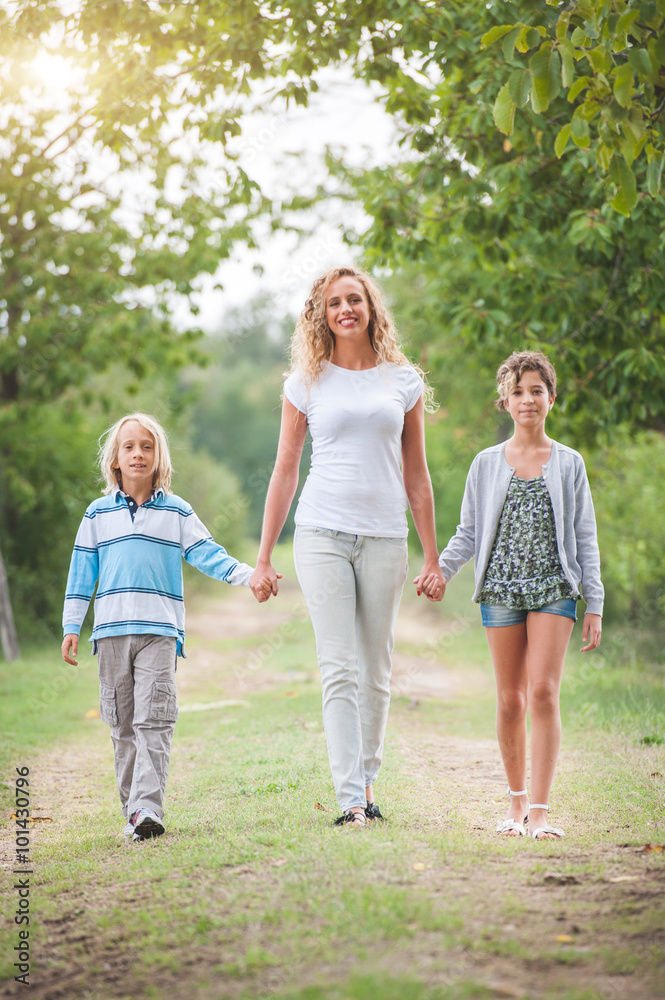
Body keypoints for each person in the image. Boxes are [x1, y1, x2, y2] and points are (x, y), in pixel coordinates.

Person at [249, 265, 445, 828]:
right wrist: (264, 556)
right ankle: (350, 800)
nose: (345, 309)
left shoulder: (402, 381)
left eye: (354, 299)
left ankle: (367, 780)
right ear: (322, 314)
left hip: (385, 535)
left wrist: (432, 557)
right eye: (334, 302)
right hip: (320, 534)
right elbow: (285, 470)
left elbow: (417, 474)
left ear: (371, 308)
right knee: (338, 667)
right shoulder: (304, 383)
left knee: (377, 668)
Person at [61, 413, 268, 841]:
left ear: (159, 457)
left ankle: (147, 809)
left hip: (159, 632)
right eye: (129, 446)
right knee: (122, 725)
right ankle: (133, 812)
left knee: (154, 720)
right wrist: (72, 626)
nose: (138, 453)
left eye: (147, 446)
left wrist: (249, 575)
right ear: (115, 459)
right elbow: (81, 574)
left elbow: (209, 554)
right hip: (112, 634)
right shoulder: (97, 514)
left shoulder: (177, 512)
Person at [438, 351, 603, 840]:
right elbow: (467, 532)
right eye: (517, 391)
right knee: (510, 700)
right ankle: (513, 805)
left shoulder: (570, 463)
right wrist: (439, 572)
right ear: (504, 402)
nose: (527, 399)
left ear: (551, 398)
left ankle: (541, 811)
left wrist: (593, 601)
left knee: (544, 693)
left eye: (536, 390)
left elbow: (585, 535)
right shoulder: (486, 464)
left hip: (555, 587)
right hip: (501, 589)